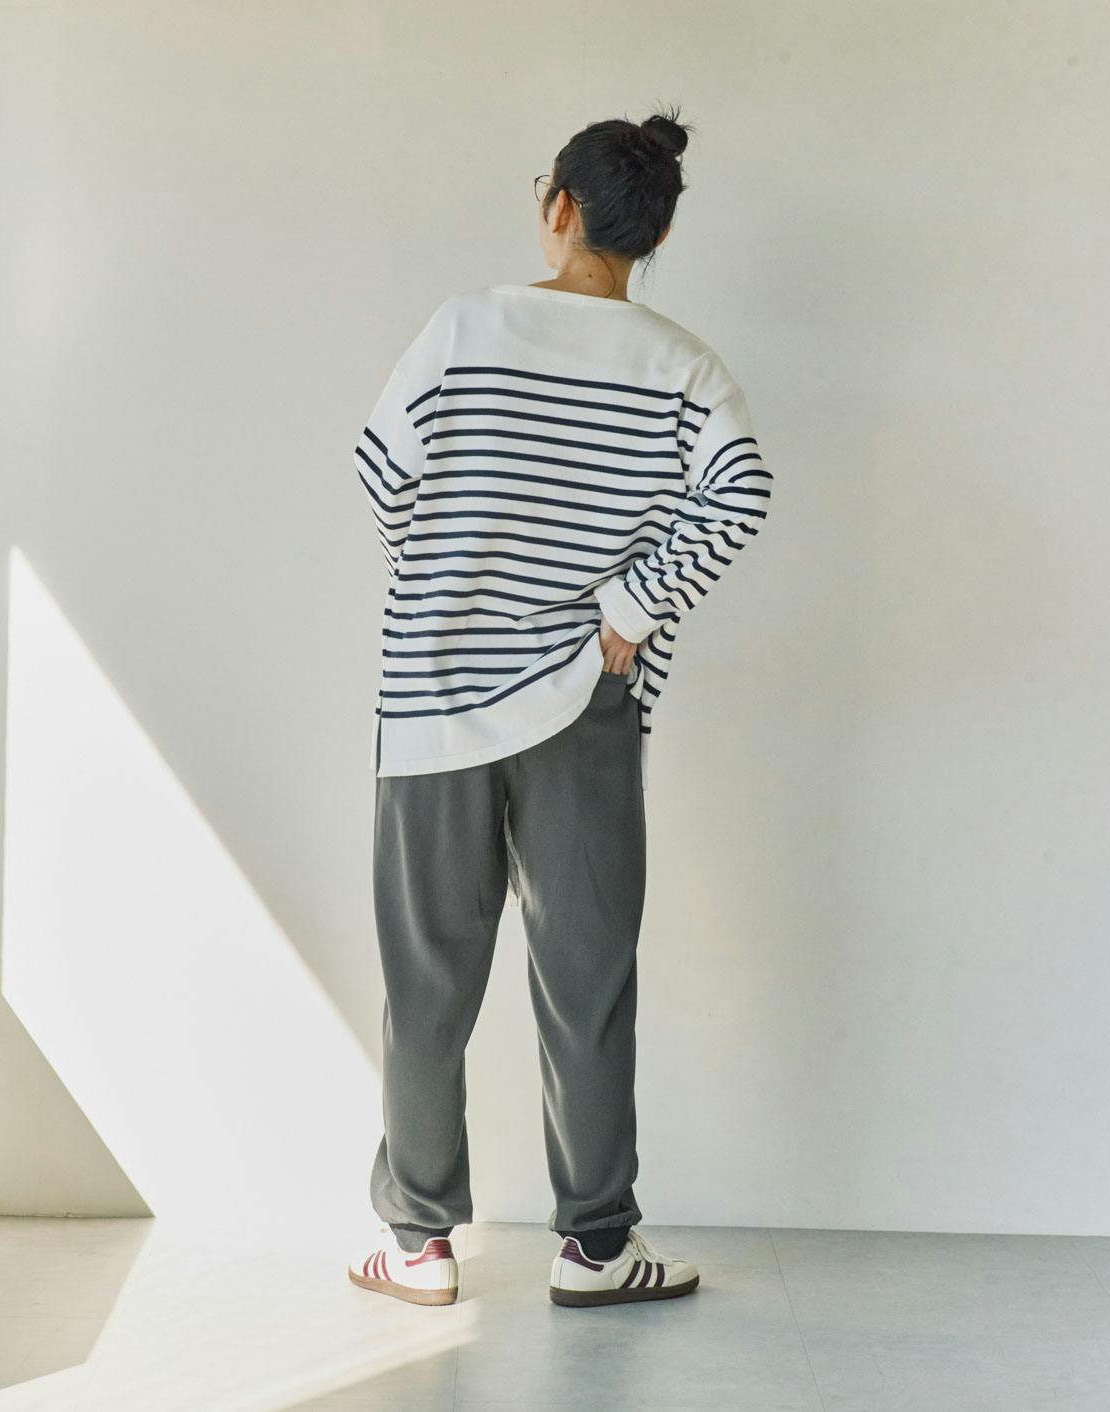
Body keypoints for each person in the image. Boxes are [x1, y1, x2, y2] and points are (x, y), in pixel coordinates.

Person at [347, 106, 772, 1308]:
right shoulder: (682, 366)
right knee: (585, 980)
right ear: (658, 232)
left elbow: (380, 476)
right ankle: (593, 1247)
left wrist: (453, 578)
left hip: (431, 699)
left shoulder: (464, 326)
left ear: (558, 207)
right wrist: (624, 607)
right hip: (582, 699)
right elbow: (738, 491)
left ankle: (418, 1246)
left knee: (426, 982)